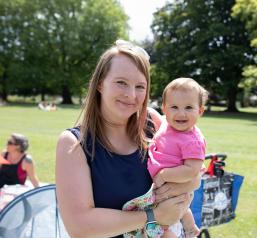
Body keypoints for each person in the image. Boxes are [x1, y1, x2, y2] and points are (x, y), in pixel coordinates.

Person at [55, 39, 200, 238]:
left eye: (140, 86)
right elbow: (80, 227)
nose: (131, 95)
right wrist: (154, 215)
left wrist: (188, 182)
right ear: (100, 84)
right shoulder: (73, 144)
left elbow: (194, 174)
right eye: (121, 82)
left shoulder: (153, 122)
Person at [148, 78, 208, 238]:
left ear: (200, 111)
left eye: (189, 107)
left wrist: (163, 175)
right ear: (164, 109)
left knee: (160, 228)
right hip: (169, 192)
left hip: (173, 190)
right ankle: (190, 228)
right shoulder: (166, 125)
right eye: (174, 107)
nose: (181, 113)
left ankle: (187, 229)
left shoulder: (192, 140)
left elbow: (192, 170)